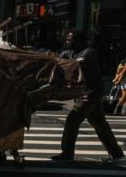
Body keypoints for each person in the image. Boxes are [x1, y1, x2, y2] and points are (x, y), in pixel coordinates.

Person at [52, 29, 126, 165]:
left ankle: (67, 154)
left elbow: (74, 66)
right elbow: (57, 60)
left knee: (72, 120)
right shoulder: (68, 52)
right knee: (99, 123)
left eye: (70, 39)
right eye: (67, 39)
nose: (67, 41)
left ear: (80, 41)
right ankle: (116, 154)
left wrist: (60, 61)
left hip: (90, 94)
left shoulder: (88, 53)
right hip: (81, 93)